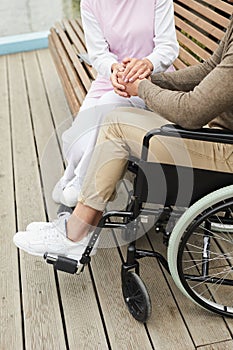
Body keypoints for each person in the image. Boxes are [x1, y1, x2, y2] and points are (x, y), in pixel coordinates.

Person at [13, 2, 233, 262]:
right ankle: (78, 230)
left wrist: (142, 88)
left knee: (116, 124)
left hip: (223, 149)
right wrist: (148, 81)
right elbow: (209, 69)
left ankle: (75, 234)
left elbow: (191, 112)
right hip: (217, 137)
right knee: (112, 119)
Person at [53, 0, 179, 207]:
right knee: (76, 143)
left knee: (109, 106)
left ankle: (81, 184)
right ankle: (69, 179)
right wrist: (114, 69)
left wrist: (147, 64)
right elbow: (98, 54)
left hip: (153, 82)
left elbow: (168, 47)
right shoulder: (91, 3)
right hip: (111, 80)